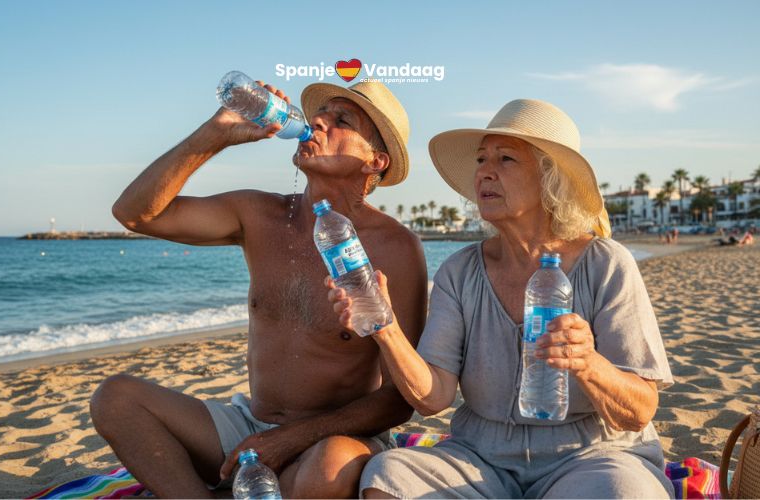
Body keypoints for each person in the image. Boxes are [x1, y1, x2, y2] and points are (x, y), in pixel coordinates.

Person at [90, 79, 428, 498]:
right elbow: (135, 214)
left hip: (332, 440)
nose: (318, 121)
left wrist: (292, 439)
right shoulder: (259, 214)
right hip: (249, 426)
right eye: (320, 113)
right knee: (116, 399)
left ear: (375, 161)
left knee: (324, 472)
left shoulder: (395, 248)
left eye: (341, 120)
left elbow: (400, 399)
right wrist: (216, 134)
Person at [327, 99, 675, 498]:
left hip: (592, 456)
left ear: (550, 179)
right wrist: (385, 327)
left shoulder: (606, 264)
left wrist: (589, 364)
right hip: (481, 458)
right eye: (481, 160)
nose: (484, 173)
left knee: (625, 491)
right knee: (389, 475)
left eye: (506, 159)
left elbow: (640, 411)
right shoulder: (460, 271)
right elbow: (433, 397)